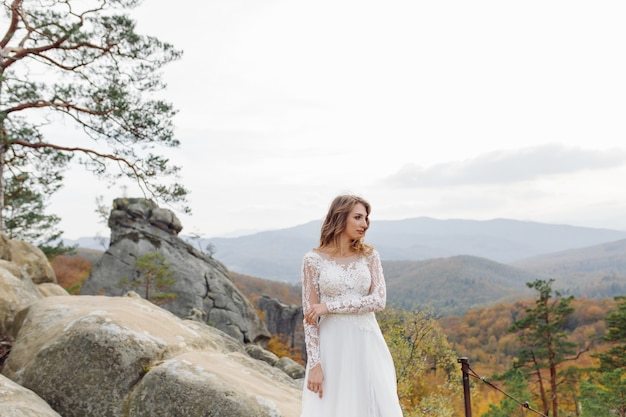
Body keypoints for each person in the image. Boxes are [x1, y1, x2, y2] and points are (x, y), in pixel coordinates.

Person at [300, 194, 404, 417]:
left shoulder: (370, 256)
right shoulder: (312, 260)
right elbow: (309, 318)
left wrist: (329, 307)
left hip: (366, 342)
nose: (364, 224)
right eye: (357, 217)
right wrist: (315, 364)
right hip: (332, 347)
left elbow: (378, 300)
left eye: (366, 219)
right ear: (340, 218)